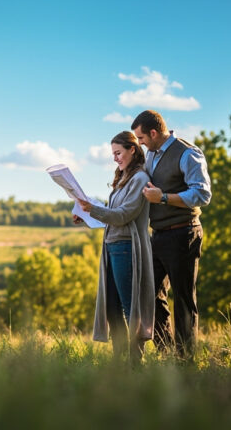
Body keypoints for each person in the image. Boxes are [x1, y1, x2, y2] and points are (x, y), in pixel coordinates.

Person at [131, 110, 211, 357]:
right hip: (159, 236)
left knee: (184, 300)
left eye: (141, 138)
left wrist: (163, 197)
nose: (140, 143)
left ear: (154, 133)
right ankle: (166, 352)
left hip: (184, 234)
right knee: (149, 294)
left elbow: (202, 195)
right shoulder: (151, 156)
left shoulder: (188, 153)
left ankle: (185, 359)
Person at [74, 131, 155, 363]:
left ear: (132, 149)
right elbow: (113, 216)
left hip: (126, 248)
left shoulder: (140, 178)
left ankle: (135, 363)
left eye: (118, 153)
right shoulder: (123, 179)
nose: (115, 159)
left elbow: (123, 215)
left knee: (131, 309)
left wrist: (93, 209)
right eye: (113, 154)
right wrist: (86, 215)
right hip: (111, 248)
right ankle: (119, 361)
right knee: (112, 308)